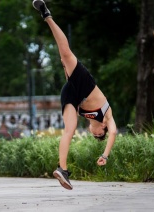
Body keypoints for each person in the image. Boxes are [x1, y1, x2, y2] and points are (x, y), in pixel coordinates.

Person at [32, 0, 118, 190]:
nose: (95, 134)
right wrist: (105, 155)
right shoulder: (107, 116)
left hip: (71, 93)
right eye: (98, 135)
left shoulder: (86, 117)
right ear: (101, 128)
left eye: (95, 136)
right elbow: (113, 133)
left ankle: (62, 169)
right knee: (65, 54)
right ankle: (47, 15)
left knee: (69, 130)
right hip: (85, 85)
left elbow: (82, 126)